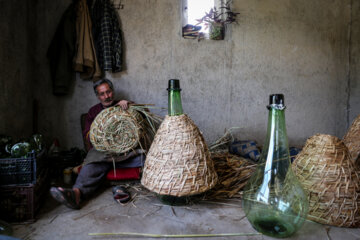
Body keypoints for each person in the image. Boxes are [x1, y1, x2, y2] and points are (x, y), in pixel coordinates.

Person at [50, 79, 145, 209]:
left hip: (126, 154)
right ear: (98, 96)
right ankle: (76, 194)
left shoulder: (123, 105)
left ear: (113, 91)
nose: (107, 96)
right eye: (102, 94)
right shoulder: (93, 112)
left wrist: (131, 106)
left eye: (109, 92)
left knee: (144, 158)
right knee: (92, 164)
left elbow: (145, 116)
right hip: (104, 155)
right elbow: (87, 136)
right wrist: (102, 137)